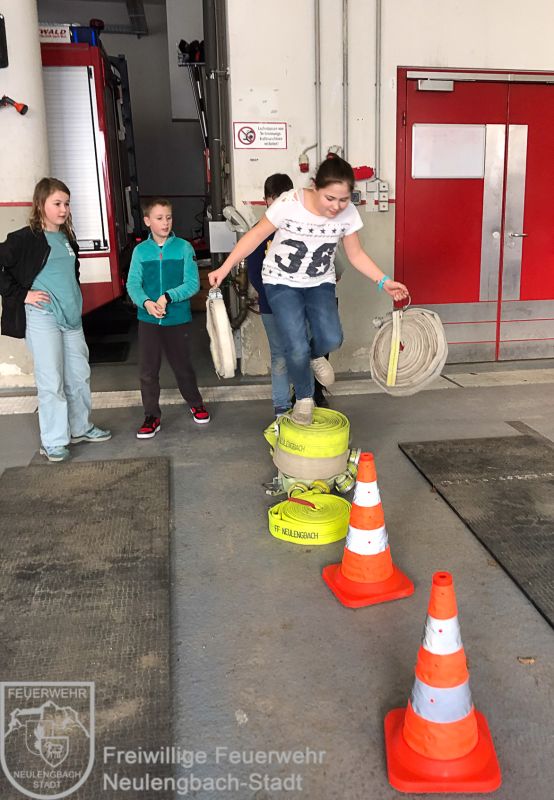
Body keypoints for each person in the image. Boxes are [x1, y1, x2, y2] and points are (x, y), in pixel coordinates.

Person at [208, 157, 409, 425]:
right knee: (295, 346)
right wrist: (225, 267)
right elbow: (255, 236)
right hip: (281, 282)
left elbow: (356, 254)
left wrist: (384, 282)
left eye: (344, 200)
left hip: (318, 282)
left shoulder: (348, 214)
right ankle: (304, 398)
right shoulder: (289, 203)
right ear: (315, 186)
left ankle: (315, 355)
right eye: (330, 198)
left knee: (332, 339)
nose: (336, 207)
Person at [0, 177, 111, 462]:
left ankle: (80, 428)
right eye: (57, 203)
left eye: (67, 204)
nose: (64, 209)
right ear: (40, 204)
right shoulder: (25, 239)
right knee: (52, 381)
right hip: (43, 317)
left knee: (79, 376)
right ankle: (53, 441)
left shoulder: (66, 237)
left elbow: (70, 274)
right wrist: (22, 295)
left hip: (71, 319)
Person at [126, 197, 210, 439]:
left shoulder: (184, 248)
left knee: (183, 367)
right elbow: (133, 284)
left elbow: (192, 284)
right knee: (148, 371)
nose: (165, 223)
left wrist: (167, 297)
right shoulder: (140, 251)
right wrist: (146, 303)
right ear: (147, 221)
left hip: (177, 319)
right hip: (148, 320)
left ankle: (196, 403)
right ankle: (151, 416)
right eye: (159, 218)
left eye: (169, 217)